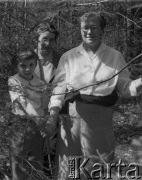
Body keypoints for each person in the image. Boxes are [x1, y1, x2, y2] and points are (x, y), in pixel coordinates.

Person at [48, 12, 142, 180]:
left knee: (99, 169)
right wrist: (53, 114)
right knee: (72, 169)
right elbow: (58, 89)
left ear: (102, 30)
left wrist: (140, 81)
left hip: (101, 123)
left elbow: (126, 88)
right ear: (80, 29)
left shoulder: (115, 56)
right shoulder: (68, 57)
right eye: (85, 28)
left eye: (94, 28)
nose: (89, 32)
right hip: (73, 123)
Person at [8, 49, 52, 180]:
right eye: (23, 65)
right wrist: (38, 118)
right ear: (16, 66)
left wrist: (44, 121)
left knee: (36, 156)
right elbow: (23, 102)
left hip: (37, 126)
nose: (27, 69)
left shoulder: (40, 83)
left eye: (31, 65)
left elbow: (44, 105)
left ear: (36, 65)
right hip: (20, 122)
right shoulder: (14, 80)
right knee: (18, 156)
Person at [33, 22, 68, 177]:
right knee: (32, 154)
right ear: (36, 39)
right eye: (44, 39)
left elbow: (61, 87)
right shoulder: (26, 59)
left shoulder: (61, 60)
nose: (48, 43)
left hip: (54, 113)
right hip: (31, 114)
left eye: (52, 40)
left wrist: (52, 117)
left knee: (51, 152)